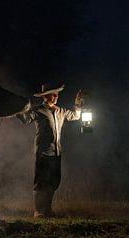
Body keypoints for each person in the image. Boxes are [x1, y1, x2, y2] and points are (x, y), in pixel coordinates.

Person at [16, 83, 84, 218]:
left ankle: (47, 209)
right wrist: (17, 109)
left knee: (53, 181)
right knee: (41, 181)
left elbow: (76, 116)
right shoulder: (38, 110)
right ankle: (39, 211)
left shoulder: (61, 111)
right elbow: (25, 119)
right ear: (45, 96)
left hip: (56, 152)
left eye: (57, 94)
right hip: (43, 152)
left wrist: (78, 102)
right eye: (53, 94)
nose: (55, 97)